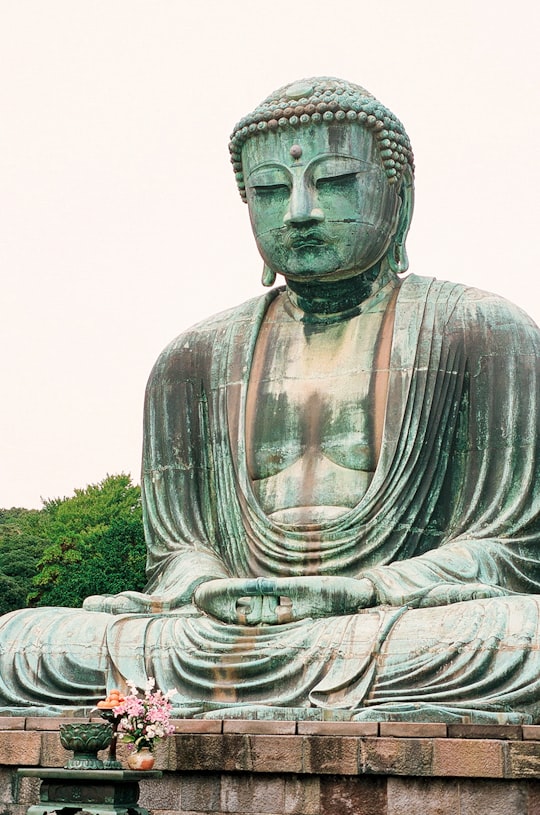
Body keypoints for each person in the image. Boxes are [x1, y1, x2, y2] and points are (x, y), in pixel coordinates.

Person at [1, 77, 540, 723]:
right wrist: (206, 588)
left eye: (334, 181)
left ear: (400, 201)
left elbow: (506, 548)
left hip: (392, 623)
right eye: (270, 191)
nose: (300, 211)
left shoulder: (484, 332)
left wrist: (364, 588)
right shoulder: (191, 359)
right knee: (22, 641)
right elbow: (180, 550)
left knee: (522, 637)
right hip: (217, 633)